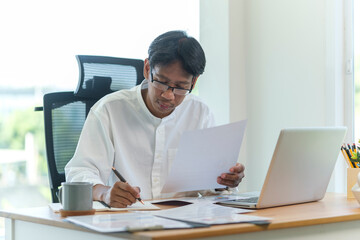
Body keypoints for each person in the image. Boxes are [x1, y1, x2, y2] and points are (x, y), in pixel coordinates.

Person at [65, 30, 245, 208]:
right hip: (127, 223)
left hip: (184, 224)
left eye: (180, 87)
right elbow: (80, 172)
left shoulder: (199, 113)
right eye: (161, 81)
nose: (168, 95)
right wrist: (104, 193)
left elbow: (209, 186)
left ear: (194, 83)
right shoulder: (109, 110)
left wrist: (224, 180)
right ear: (147, 69)